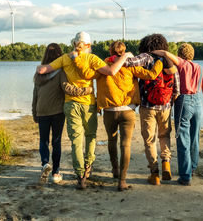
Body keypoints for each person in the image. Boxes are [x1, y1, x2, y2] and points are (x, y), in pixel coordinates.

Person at [36, 32, 132, 189]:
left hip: (70, 104)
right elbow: (111, 71)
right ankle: (88, 167)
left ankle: (80, 176)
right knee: (90, 137)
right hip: (88, 104)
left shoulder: (65, 58)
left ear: (74, 43)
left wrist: (40, 67)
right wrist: (125, 55)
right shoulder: (92, 59)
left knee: (75, 142)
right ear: (88, 45)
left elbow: (42, 70)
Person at [73, 41, 163, 191]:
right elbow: (152, 75)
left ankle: (115, 170)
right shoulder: (131, 65)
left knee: (111, 140)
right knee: (125, 144)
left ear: (110, 51)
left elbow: (87, 73)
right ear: (124, 51)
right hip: (128, 111)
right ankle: (122, 180)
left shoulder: (103, 66)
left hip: (109, 111)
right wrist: (159, 61)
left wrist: (77, 58)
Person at [152, 43, 203, 186]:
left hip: (184, 101)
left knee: (183, 139)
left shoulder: (181, 63)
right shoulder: (200, 68)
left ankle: (185, 176)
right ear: (192, 54)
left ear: (180, 54)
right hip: (198, 102)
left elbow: (166, 54)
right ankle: (191, 168)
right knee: (195, 138)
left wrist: (152, 51)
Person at [32, 43, 93, 184]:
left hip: (42, 110)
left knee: (43, 140)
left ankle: (45, 164)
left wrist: (34, 112)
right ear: (59, 56)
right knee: (56, 141)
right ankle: (56, 172)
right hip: (58, 112)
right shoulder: (61, 72)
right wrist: (87, 90)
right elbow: (67, 89)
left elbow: (35, 95)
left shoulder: (39, 72)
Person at [124, 34, 180, 185]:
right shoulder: (169, 61)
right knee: (164, 136)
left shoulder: (145, 57)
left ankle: (154, 173)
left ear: (145, 45)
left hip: (147, 105)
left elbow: (128, 63)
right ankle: (166, 163)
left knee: (149, 140)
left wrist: (126, 54)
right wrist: (169, 102)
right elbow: (177, 88)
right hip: (166, 106)